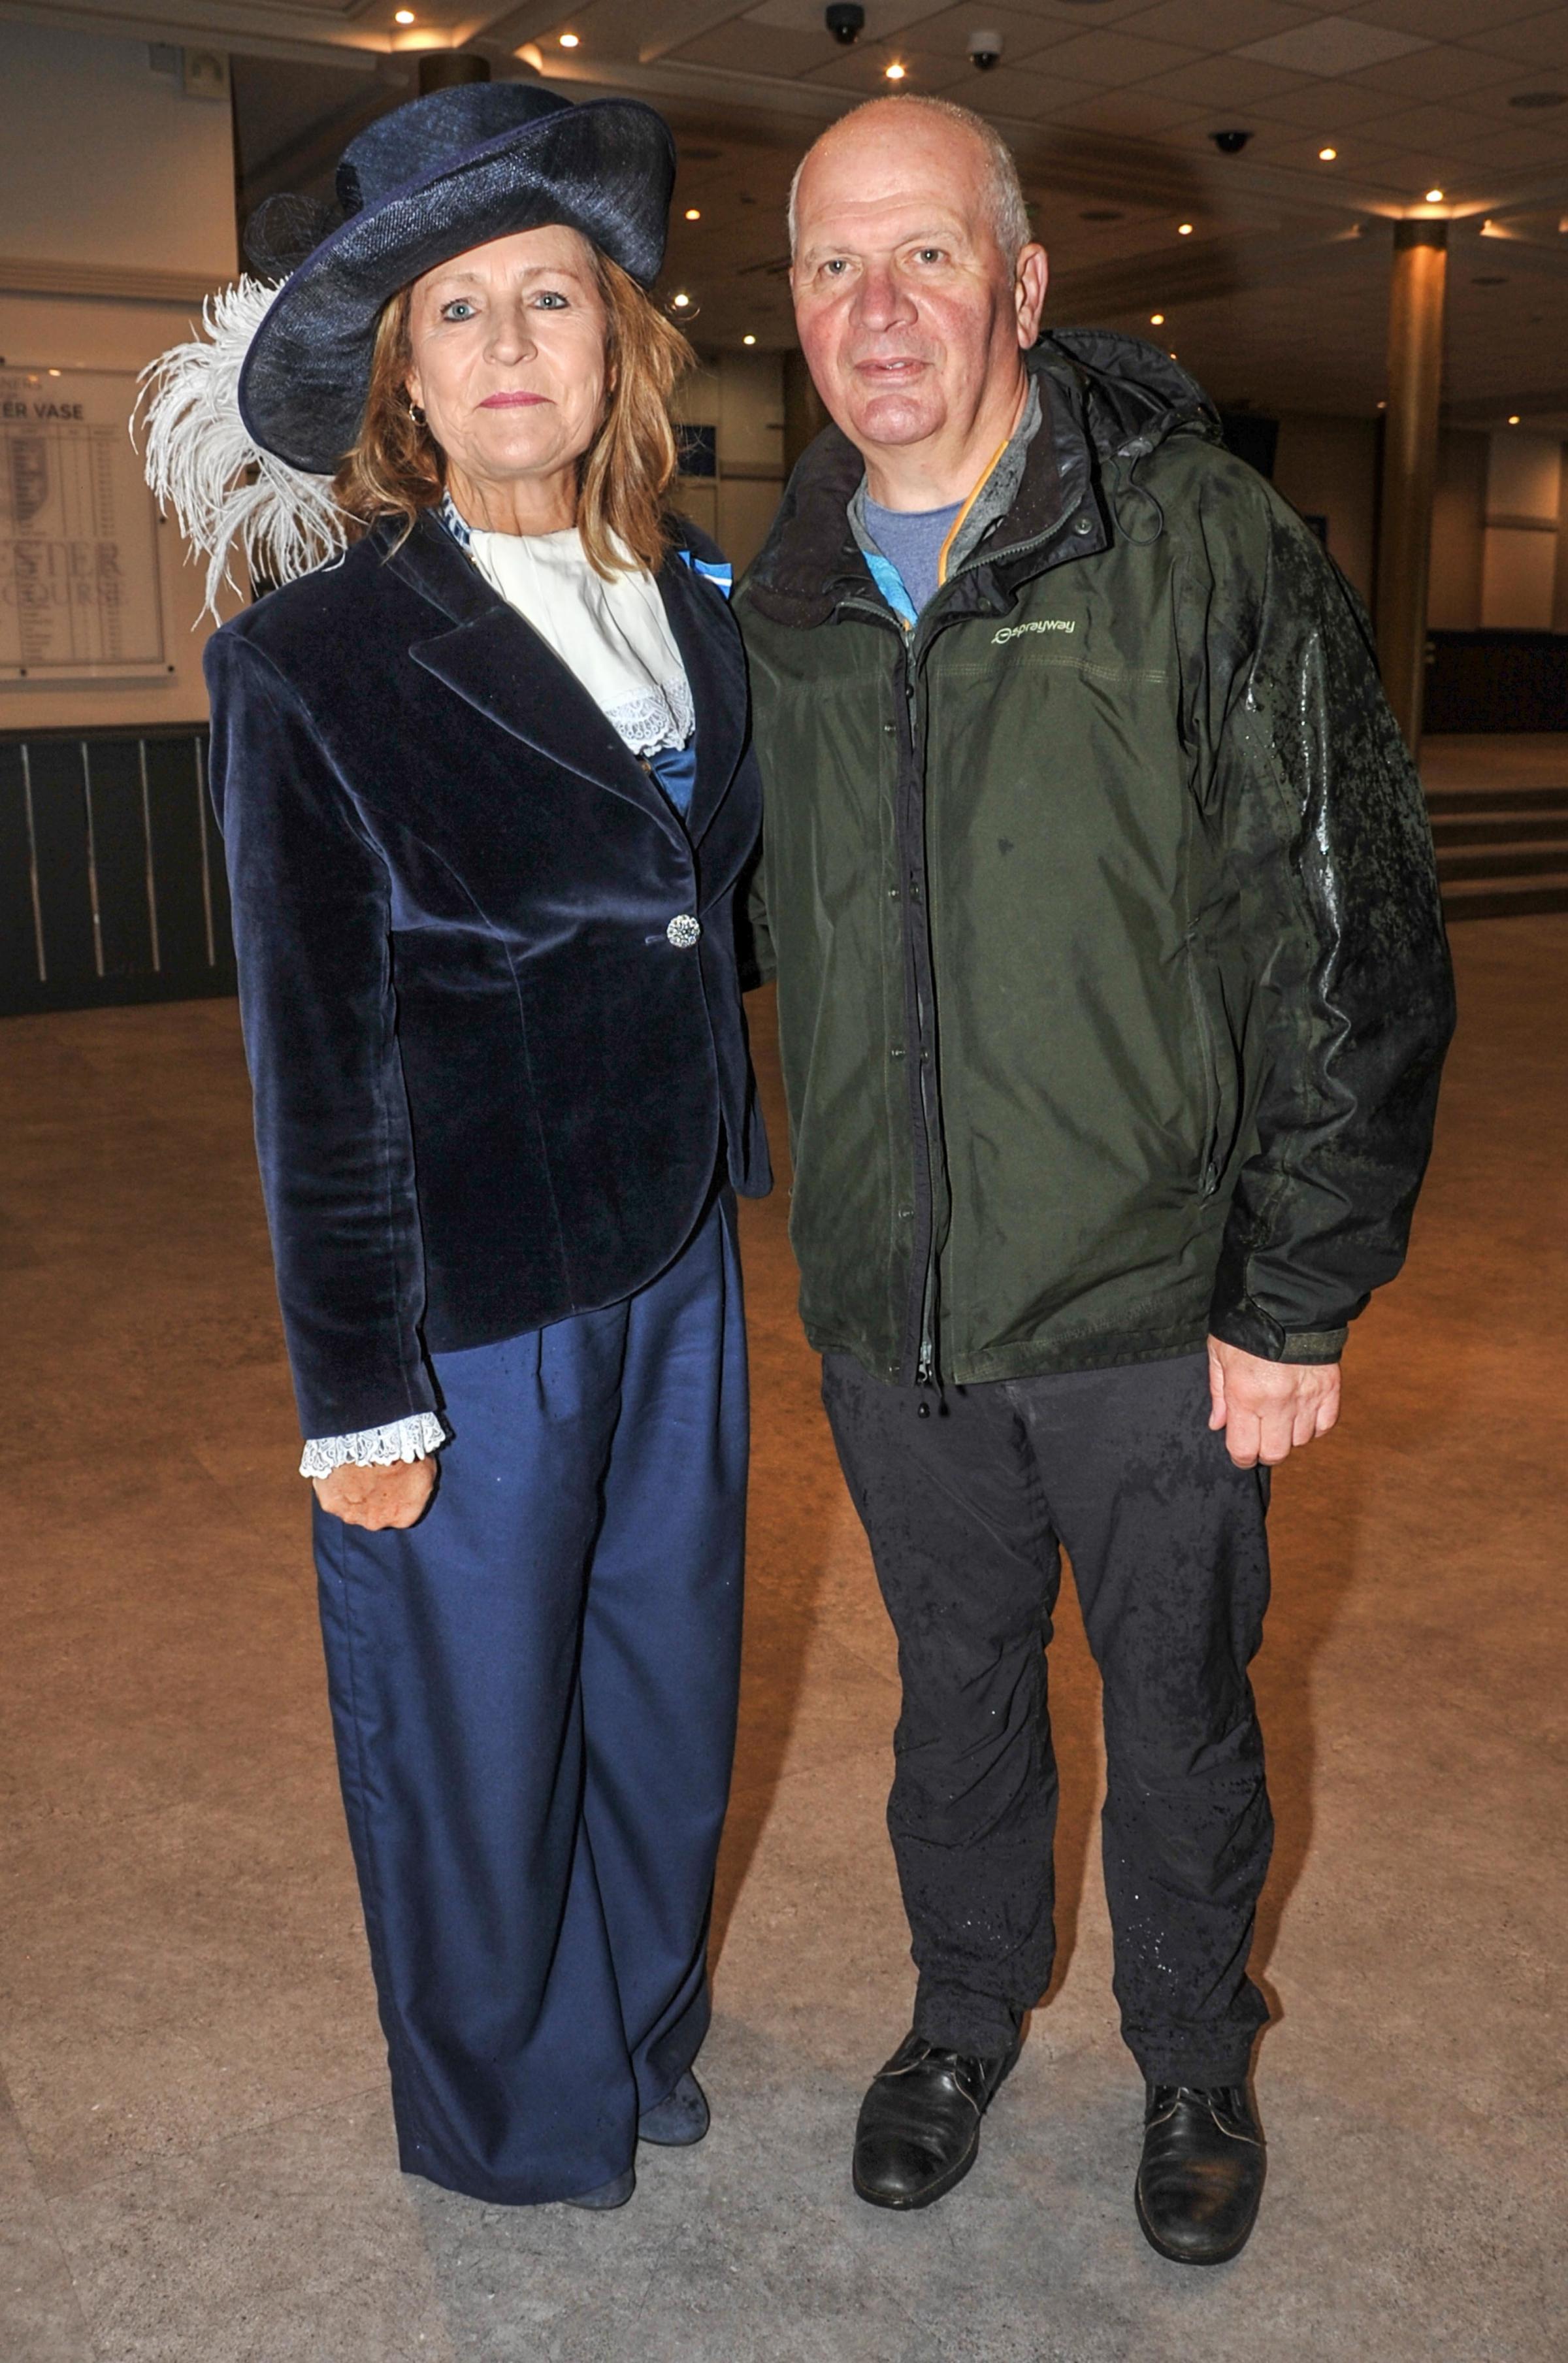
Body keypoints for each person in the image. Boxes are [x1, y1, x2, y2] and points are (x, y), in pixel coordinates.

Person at [735, 93, 1453, 2264]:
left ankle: (1193, 2053)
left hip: (1155, 1311)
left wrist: (1298, 1289)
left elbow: (1353, 928)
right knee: (949, 1700)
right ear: (788, 304)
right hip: (899, 1313)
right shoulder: (773, 595)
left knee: (1178, 1716)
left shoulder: (1202, 547)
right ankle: (961, 2020)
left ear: (1023, 286)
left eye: (928, 256)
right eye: (832, 264)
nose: (878, 310)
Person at [142, 82, 769, 2210]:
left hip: (681, 1247)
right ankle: (516, 2108)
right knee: (482, 1730)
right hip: (468, 1293)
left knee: (670, 1685)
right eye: (458, 313)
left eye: (552, 300)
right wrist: (358, 1392)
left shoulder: (703, 616)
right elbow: (308, 1057)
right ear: (405, 378)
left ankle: (639, 2018)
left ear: (619, 346)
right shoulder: (311, 662)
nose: (512, 347)